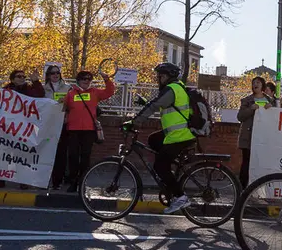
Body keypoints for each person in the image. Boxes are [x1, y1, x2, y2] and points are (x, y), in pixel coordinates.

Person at [124, 63, 197, 214]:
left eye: (161, 76)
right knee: (153, 140)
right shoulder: (176, 87)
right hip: (178, 133)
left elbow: (154, 106)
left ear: (169, 76)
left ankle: (180, 196)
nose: (159, 79)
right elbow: (163, 105)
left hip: (180, 136)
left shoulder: (172, 89)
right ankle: (169, 171)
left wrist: (134, 121)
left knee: (160, 166)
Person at [63, 69, 115, 192]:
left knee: (85, 157)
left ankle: (82, 181)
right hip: (73, 129)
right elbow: (63, 108)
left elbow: (109, 92)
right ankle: (73, 181)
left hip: (89, 130)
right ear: (78, 81)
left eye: (89, 79)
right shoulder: (71, 94)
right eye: (83, 79)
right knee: (73, 156)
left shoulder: (95, 92)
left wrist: (107, 79)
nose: (86, 81)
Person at [0, 69, 45, 189]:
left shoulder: (29, 89)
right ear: (12, 79)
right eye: (18, 76)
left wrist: (36, 82)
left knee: (22, 155)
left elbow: (40, 96)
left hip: (23, 128)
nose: (22, 78)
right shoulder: (5, 91)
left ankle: (23, 180)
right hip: (7, 127)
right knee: (3, 155)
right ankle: (1, 179)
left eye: (23, 76)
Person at [237, 76, 275, 187]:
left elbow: (278, 115)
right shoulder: (246, 100)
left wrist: (271, 108)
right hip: (248, 137)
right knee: (247, 162)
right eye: (253, 82)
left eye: (258, 82)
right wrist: (250, 109)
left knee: (261, 162)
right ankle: (243, 187)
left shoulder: (271, 101)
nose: (255, 84)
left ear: (263, 85)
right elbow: (240, 117)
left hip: (264, 137)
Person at [44, 65, 72, 190]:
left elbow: (74, 105)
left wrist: (66, 103)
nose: (55, 75)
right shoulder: (43, 89)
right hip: (48, 124)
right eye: (52, 73)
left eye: (57, 73)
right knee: (46, 151)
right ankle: (44, 179)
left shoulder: (68, 88)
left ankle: (57, 181)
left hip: (62, 124)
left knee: (61, 153)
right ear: (48, 75)